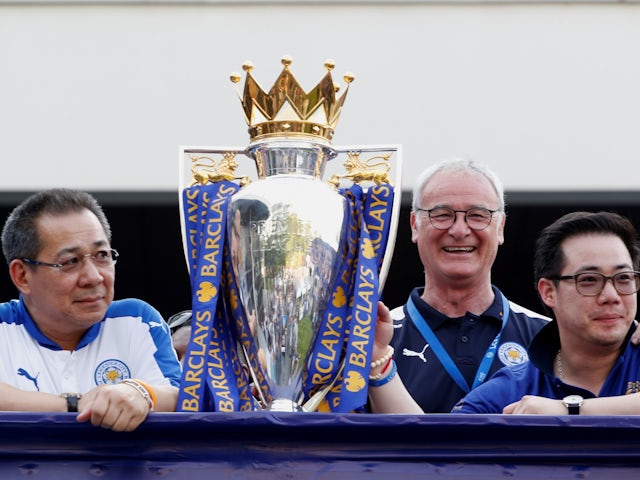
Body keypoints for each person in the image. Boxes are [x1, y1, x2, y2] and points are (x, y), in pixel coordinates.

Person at [370, 211, 640, 415]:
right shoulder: (513, 389)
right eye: (589, 280)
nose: (611, 296)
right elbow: (432, 449)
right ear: (548, 292)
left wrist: (568, 411)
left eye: (624, 279)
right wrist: (379, 364)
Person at [373, 158, 550, 413]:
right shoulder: (374, 344)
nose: (459, 230)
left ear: (500, 227)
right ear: (415, 226)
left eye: (477, 215)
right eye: (442, 215)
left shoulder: (548, 338)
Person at [0, 188, 181, 431]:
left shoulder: (136, 320)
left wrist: (140, 392)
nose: (93, 277)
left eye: (102, 255)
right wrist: (75, 405)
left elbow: (184, 396)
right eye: (70, 261)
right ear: (22, 276)